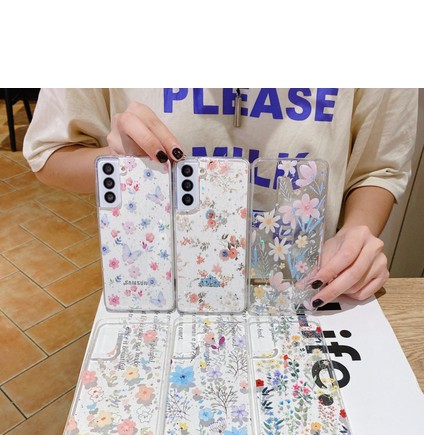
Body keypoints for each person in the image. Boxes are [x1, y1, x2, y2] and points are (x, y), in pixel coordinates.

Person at [23, 88, 418, 307]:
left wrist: (356, 234)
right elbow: (49, 154)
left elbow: (379, 166)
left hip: (303, 286)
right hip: (164, 288)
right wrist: (122, 160)